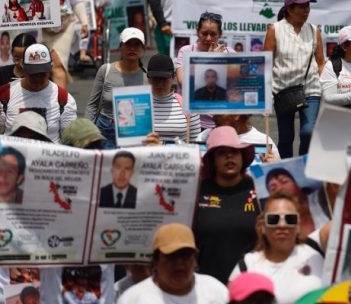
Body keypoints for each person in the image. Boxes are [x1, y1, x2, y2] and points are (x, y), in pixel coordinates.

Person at [229, 193, 330, 304]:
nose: (282, 225)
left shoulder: (317, 245)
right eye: (273, 219)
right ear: (262, 227)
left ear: (298, 226)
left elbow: (345, 219)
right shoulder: (247, 265)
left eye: (290, 218)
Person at [193, 126, 260, 285]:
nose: (229, 156)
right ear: (213, 161)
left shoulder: (259, 189)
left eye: (234, 151)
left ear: (242, 156)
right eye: (221, 152)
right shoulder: (196, 192)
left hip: (250, 289)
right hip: (207, 289)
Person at [264, 0, 324, 158]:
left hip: (310, 88)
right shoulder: (274, 30)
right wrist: (266, 91)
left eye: (308, 6)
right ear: (290, 9)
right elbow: (266, 63)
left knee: (308, 132)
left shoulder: (314, 31)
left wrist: (326, 85)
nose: (306, 10)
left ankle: (303, 165)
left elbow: (320, 62)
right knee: (286, 136)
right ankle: (287, 169)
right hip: (282, 90)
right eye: (302, 7)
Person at [117, 223, 228, 304]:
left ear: (194, 260)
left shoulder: (216, 291)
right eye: (171, 256)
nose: (179, 262)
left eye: (185, 255)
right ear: (155, 261)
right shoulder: (133, 299)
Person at [0, 43, 77, 143]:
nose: (37, 78)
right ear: (23, 68)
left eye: (42, 74)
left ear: (50, 68)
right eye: (33, 74)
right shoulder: (4, 95)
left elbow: (70, 141)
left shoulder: (64, 99)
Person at [85, 28, 147, 149]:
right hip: (104, 130)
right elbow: (92, 105)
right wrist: (87, 133)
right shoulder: (105, 70)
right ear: (120, 47)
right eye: (128, 44)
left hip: (134, 133)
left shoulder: (148, 77)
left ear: (143, 49)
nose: (132, 48)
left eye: (137, 44)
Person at [146, 54, 201, 142]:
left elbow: (196, 143)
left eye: (164, 79)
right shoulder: (140, 105)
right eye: (155, 78)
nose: (160, 83)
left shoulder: (188, 106)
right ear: (148, 78)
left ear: (173, 77)